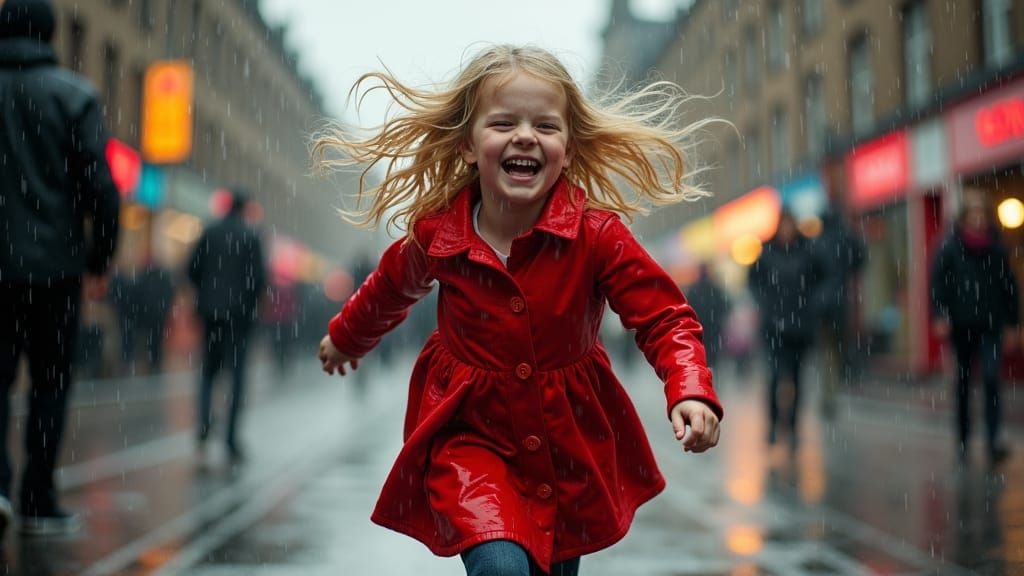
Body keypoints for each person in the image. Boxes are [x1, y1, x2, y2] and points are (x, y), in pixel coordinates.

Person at [315, 45, 723, 576]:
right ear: (467, 145)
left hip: (568, 444)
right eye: (504, 122)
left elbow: (663, 316)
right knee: (502, 567)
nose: (525, 136)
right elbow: (389, 287)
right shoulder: (440, 235)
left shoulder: (597, 235)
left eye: (546, 126)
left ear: (569, 149)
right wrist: (348, 336)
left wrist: (689, 387)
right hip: (471, 437)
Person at [0, 0, 120, 537]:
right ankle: (37, 496)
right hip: (56, 271)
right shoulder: (75, 96)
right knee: (50, 384)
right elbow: (101, 187)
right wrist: (99, 259)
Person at [930, 188, 1018, 467]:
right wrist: (940, 314)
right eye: (974, 213)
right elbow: (938, 286)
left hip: (991, 324)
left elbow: (1009, 288)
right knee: (964, 383)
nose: (979, 219)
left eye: (983, 213)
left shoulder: (996, 248)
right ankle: (964, 439)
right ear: (964, 216)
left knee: (992, 379)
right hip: (962, 326)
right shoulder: (950, 248)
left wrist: (1014, 323)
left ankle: (993, 441)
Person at [187, 190, 266, 463]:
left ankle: (204, 424)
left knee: (208, 372)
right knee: (237, 378)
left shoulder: (210, 232)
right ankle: (231, 439)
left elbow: (191, 269)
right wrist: (246, 303)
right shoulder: (251, 236)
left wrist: (207, 295)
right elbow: (259, 278)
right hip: (239, 318)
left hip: (211, 314)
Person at [748, 210, 824, 452]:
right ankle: (772, 427)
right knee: (775, 378)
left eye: (790, 225)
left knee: (797, 379)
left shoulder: (807, 251)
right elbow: (754, 283)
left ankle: (792, 429)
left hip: (800, 328)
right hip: (774, 328)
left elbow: (821, 280)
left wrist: (813, 304)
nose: (787, 230)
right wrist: (767, 307)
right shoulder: (766, 253)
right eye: (784, 225)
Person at [812, 207, 866, 418]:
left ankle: (829, 394)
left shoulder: (818, 243)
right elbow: (860, 259)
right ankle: (836, 389)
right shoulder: (845, 240)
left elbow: (810, 274)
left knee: (826, 352)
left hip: (821, 307)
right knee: (837, 348)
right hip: (841, 304)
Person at [686, 263, 730, 370]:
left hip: (698, 329)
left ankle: (703, 374)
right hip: (713, 329)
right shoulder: (715, 290)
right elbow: (725, 307)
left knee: (701, 357)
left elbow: (687, 308)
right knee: (712, 358)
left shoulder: (693, 290)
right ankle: (710, 376)